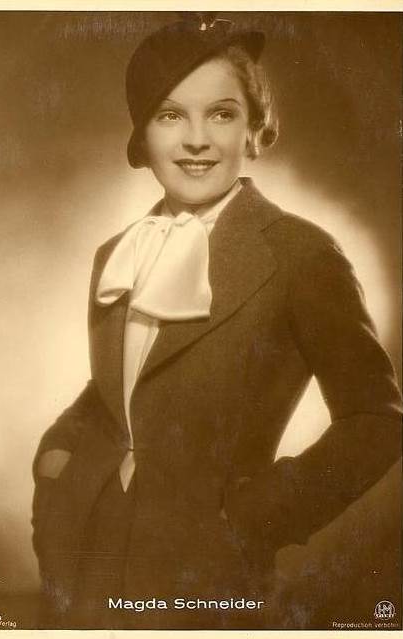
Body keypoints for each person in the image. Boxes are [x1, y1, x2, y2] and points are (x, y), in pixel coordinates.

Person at [31, 13, 402, 630]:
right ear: (142, 135)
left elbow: (376, 422)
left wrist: (257, 516)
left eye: (222, 114)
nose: (196, 139)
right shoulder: (116, 254)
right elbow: (122, 393)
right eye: (170, 115)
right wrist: (58, 459)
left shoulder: (301, 254)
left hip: (209, 573)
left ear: (253, 128)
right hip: (88, 556)